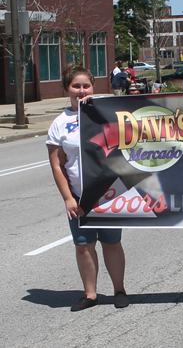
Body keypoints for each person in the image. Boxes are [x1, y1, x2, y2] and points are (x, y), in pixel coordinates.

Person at [47, 65, 129, 312]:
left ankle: (119, 290)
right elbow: (57, 165)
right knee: (83, 245)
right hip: (79, 196)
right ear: (66, 89)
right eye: (75, 86)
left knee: (112, 244)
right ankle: (91, 294)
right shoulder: (60, 124)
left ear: (93, 87)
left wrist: (98, 108)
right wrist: (68, 198)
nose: (81, 91)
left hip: (109, 194)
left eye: (86, 85)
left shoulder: (106, 113)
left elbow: (131, 131)